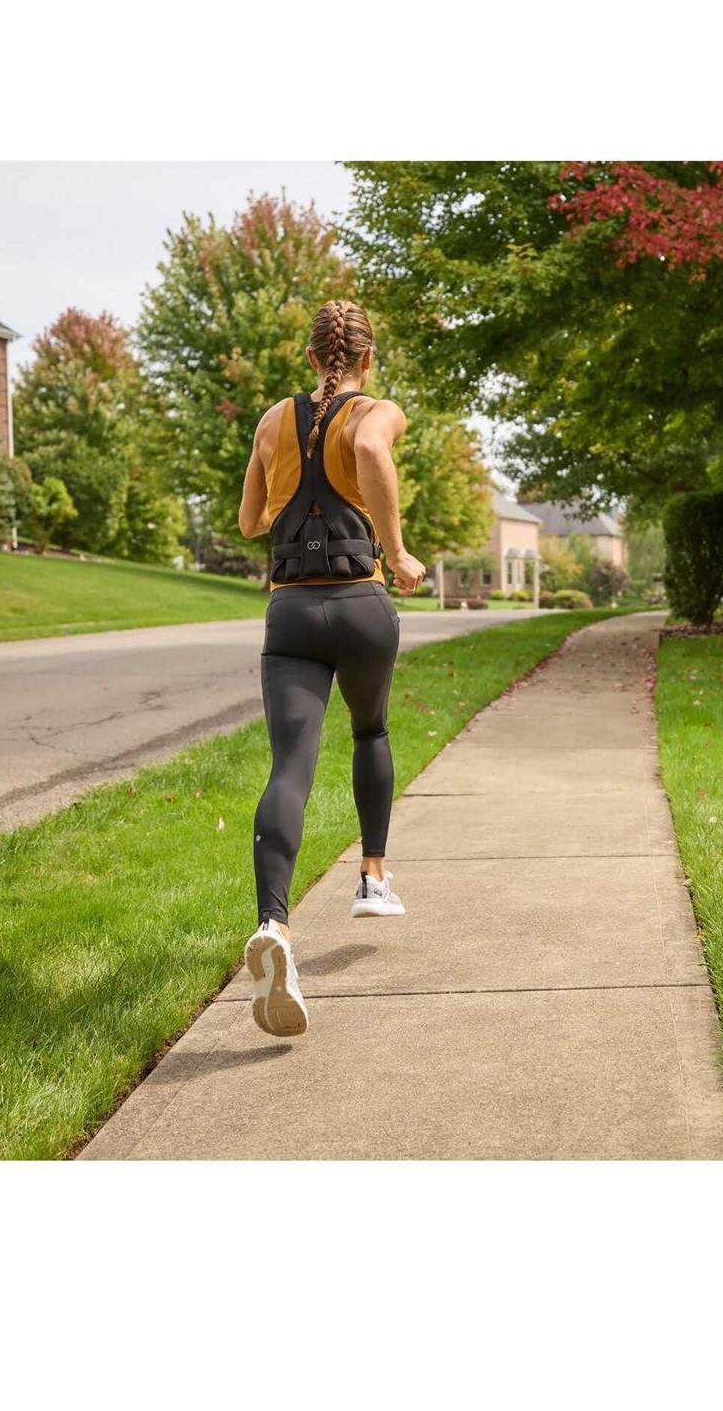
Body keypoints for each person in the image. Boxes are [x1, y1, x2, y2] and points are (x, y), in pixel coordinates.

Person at [235, 300, 426, 1037]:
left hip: (290, 615)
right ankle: (373, 878)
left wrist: (282, 474)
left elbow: (252, 521)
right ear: (365, 359)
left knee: (290, 768)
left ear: (312, 357)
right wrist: (399, 549)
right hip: (360, 605)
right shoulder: (376, 410)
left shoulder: (270, 421)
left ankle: (274, 928)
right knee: (370, 731)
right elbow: (373, 454)